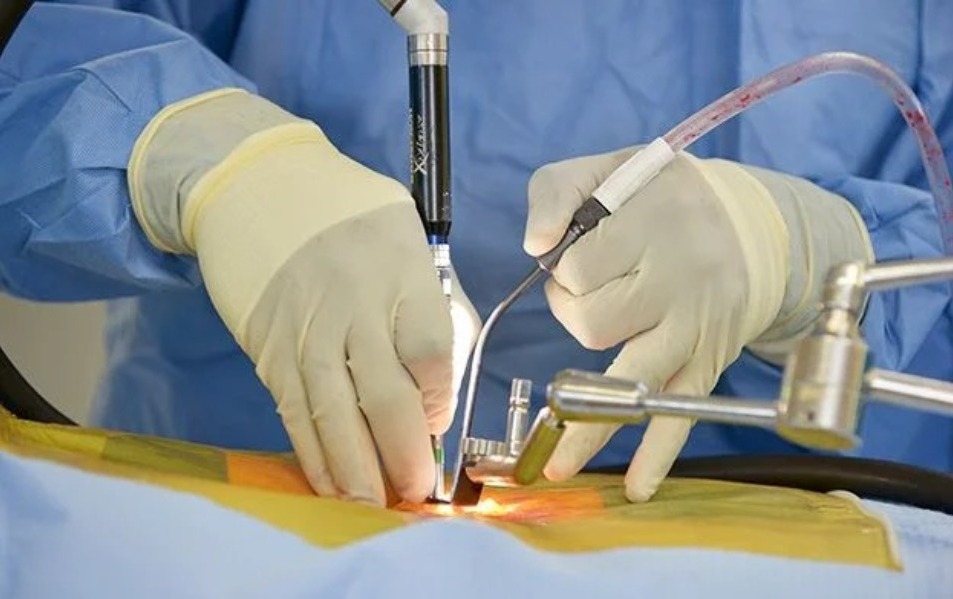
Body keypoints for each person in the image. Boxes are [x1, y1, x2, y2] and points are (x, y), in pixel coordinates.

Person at [1, 1, 951, 507]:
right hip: (230, 511)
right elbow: (33, 46)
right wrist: (199, 157)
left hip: (795, 531)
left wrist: (809, 256)